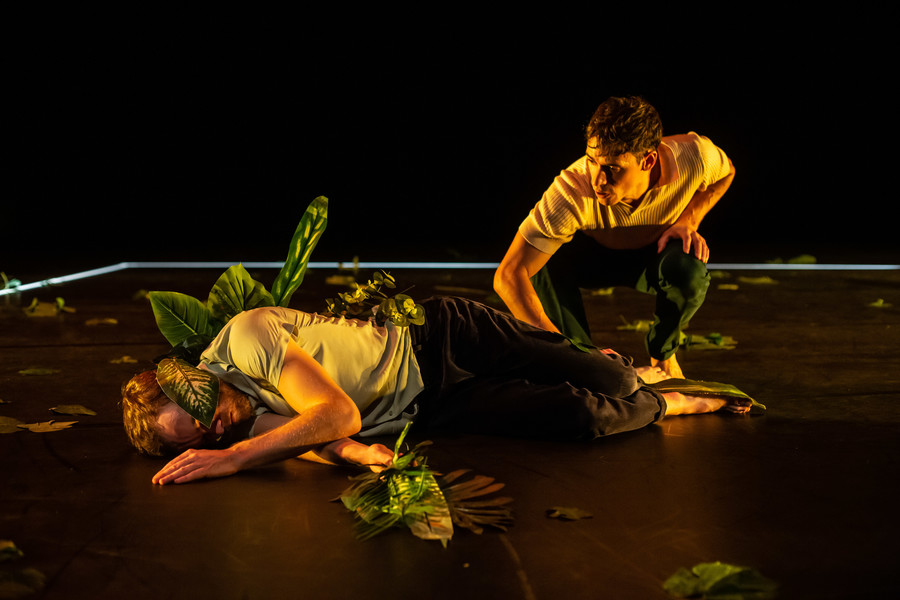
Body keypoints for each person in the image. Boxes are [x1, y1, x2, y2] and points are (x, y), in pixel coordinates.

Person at [121, 296, 752, 486]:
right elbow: (308, 438)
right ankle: (672, 402)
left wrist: (233, 460)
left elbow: (335, 412)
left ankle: (628, 372)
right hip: (426, 406)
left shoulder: (247, 336)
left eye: (202, 415)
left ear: (195, 378)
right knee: (585, 419)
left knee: (613, 380)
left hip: (442, 338)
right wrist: (358, 455)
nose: (217, 432)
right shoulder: (235, 422)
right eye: (201, 440)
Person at [494, 96, 735, 379]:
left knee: (689, 266)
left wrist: (689, 220)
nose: (598, 180)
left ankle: (663, 355)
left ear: (648, 161)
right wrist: (556, 347)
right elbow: (508, 275)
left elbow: (727, 171)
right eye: (592, 161)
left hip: (654, 253)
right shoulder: (572, 189)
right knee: (542, 262)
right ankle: (578, 358)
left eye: (612, 168)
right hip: (591, 257)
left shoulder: (694, 156)